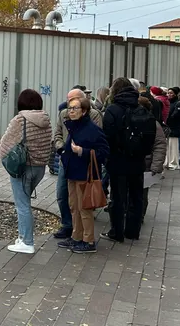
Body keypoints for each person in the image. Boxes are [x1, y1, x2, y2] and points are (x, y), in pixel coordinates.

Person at [0, 89, 52, 255]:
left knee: (22, 206)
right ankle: (22, 237)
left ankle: (27, 242)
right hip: (40, 168)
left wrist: (4, 158)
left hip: (23, 168)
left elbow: (6, 143)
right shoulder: (46, 120)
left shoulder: (20, 120)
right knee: (25, 203)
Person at [101, 78, 153, 243]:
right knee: (136, 197)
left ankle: (116, 232)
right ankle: (133, 231)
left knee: (118, 197)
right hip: (138, 160)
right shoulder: (141, 108)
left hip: (117, 160)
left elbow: (107, 137)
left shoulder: (112, 110)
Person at [57, 96, 109, 254]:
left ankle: (88, 240)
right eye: (69, 108)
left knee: (84, 208)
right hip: (72, 172)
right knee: (74, 207)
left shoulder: (92, 130)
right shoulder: (74, 126)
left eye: (74, 108)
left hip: (85, 174)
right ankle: (76, 236)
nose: (70, 111)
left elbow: (104, 152)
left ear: (84, 111)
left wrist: (82, 152)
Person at [50, 88, 103, 241]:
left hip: (83, 165)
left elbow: (99, 143)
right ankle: (71, 229)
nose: (70, 107)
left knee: (83, 204)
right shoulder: (64, 115)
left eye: (74, 104)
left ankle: (85, 238)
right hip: (66, 162)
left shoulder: (93, 117)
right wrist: (61, 148)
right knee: (65, 197)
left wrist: (82, 151)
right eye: (69, 103)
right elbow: (58, 133)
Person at [140, 97, 165, 222]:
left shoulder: (153, 124)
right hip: (137, 163)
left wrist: (156, 166)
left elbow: (160, 145)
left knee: (143, 192)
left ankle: (140, 215)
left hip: (146, 163)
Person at [164, 87, 180, 169]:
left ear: (175, 94)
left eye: (171, 93)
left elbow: (176, 115)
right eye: (168, 93)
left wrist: (167, 119)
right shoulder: (168, 102)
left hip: (174, 127)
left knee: (173, 146)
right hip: (168, 127)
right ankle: (167, 162)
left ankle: (173, 163)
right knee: (167, 145)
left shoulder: (178, 103)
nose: (169, 95)